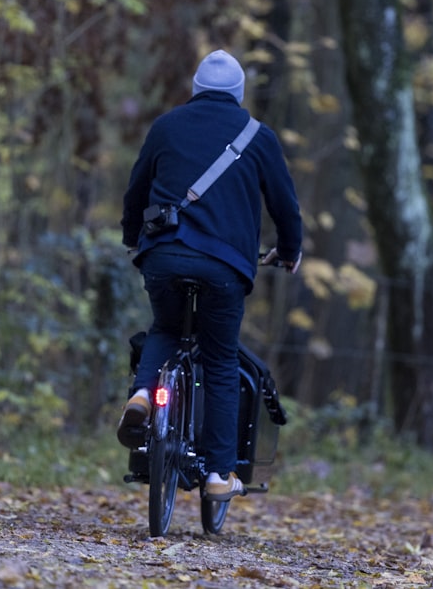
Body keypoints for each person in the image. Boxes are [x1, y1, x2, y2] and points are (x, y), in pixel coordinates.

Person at [119, 49, 302, 501]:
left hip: (163, 253)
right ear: (238, 96)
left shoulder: (166, 126)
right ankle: (219, 474)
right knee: (220, 360)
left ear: (196, 90)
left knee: (164, 326)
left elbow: (136, 190)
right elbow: (285, 206)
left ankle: (142, 395)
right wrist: (290, 251)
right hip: (224, 266)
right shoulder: (259, 138)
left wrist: (131, 237)